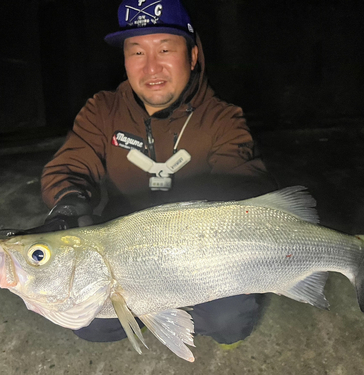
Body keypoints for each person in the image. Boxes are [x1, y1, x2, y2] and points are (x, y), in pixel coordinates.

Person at [41, 0, 276, 347]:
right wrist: (68, 204)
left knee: (228, 322)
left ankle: (174, 308)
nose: (151, 66)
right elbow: (69, 167)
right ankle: (154, 309)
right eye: (136, 52)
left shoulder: (222, 117)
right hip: (124, 250)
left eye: (165, 48)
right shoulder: (102, 110)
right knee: (93, 324)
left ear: (193, 56)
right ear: (124, 60)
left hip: (201, 248)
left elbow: (243, 178)